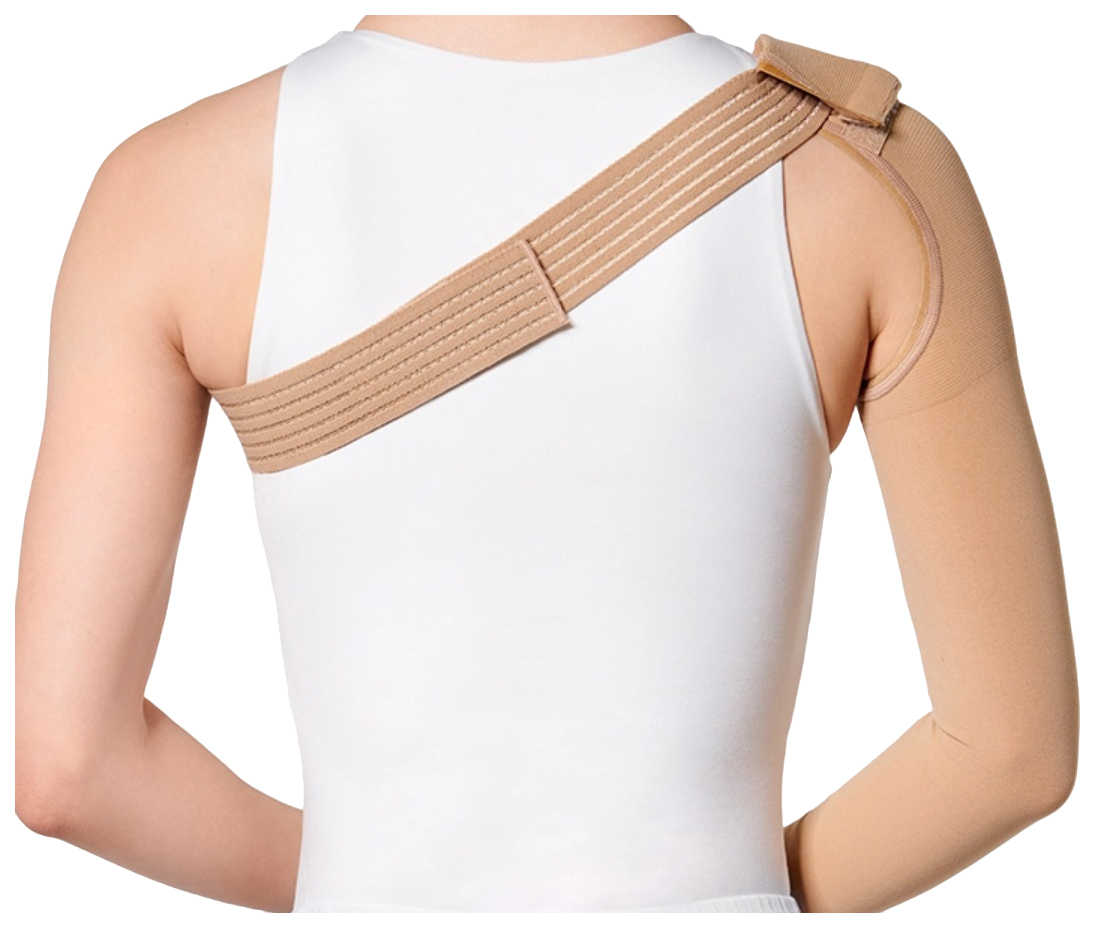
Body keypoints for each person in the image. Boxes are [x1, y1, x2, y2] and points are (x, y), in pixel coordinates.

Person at [13, 13, 1079, 913]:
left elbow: (71, 771)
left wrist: (377, 886)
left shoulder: (165, 189)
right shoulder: (865, 166)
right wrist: (736, 895)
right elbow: (1010, 753)